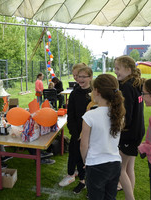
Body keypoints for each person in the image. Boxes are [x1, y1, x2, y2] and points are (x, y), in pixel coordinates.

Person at [80, 74, 126, 200]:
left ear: (97, 91)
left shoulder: (90, 116)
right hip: (115, 164)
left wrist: (86, 161)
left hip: (96, 165)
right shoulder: (119, 114)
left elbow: (84, 144)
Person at [114, 55, 145, 200]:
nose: (116, 72)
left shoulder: (126, 86)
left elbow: (127, 113)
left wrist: (119, 127)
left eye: (118, 68)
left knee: (119, 169)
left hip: (129, 132)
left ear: (128, 69)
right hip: (137, 131)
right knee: (128, 167)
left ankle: (130, 198)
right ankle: (129, 195)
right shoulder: (136, 83)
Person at [59, 66, 93, 195]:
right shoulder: (74, 93)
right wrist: (74, 132)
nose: (81, 79)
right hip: (76, 132)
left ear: (90, 77)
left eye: (84, 77)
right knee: (78, 156)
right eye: (79, 77)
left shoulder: (94, 93)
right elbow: (71, 114)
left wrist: (85, 133)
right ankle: (82, 181)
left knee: (90, 159)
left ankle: (90, 183)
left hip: (90, 133)